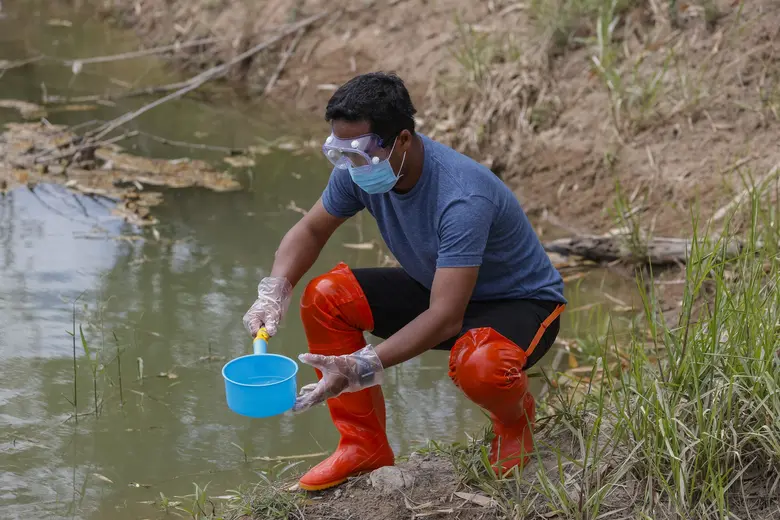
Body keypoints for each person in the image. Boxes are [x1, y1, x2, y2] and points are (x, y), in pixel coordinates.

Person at [243, 72, 566, 491]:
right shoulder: (360, 172)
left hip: (520, 304)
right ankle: (363, 446)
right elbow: (310, 231)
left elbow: (447, 317)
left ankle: (514, 420)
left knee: (482, 366)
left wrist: (362, 364)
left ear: (404, 141)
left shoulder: (462, 197)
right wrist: (275, 289)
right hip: (438, 286)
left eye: (358, 152)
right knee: (326, 296)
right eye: (338, 152)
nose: (349, 165)